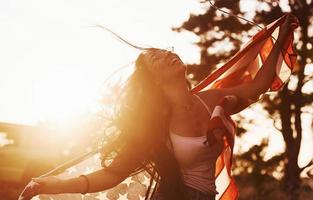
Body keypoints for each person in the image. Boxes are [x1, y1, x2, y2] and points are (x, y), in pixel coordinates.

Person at [20, 13, 298, 200]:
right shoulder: (155, 125)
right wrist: (54, 184)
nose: (168, 55)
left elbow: (257, 86)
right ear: (154, 79)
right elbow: (112, 174)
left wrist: (280, 35)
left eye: (165, 52)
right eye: (158, 59)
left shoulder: (211, 100)